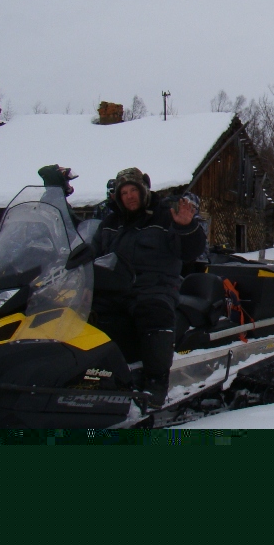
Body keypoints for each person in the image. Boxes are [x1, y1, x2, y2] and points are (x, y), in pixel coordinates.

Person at [90, 167, 206, 406]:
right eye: (124, 193)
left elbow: (190, 252)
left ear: (144, 190)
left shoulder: (165, 216)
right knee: (87, 313)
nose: (129, 196)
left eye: (133, 190)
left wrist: (186, 228)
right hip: (115, 288)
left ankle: (155, 383)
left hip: (156, 286)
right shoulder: (111, 223)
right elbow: (92, 251)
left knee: (153, 312)